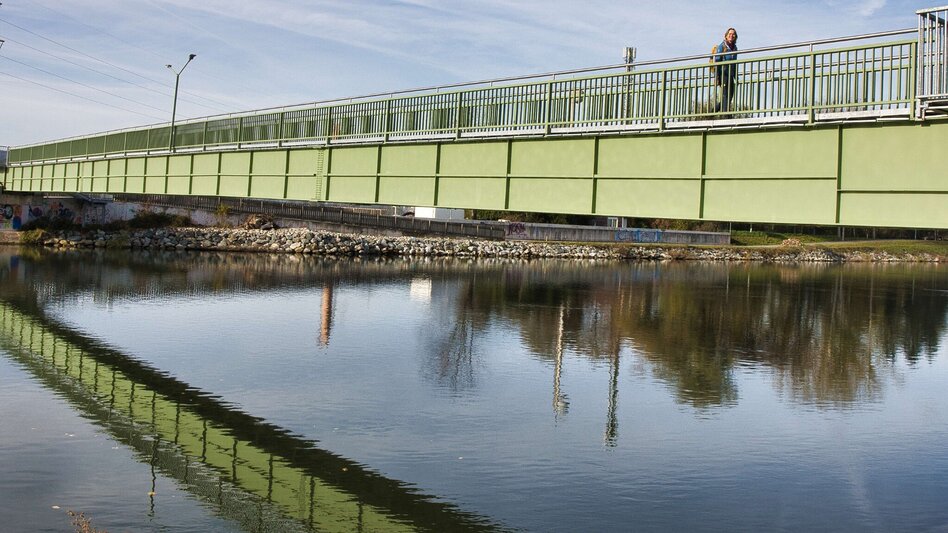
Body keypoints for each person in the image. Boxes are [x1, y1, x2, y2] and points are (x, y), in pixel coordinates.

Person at [711, 28, 739, 113]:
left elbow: (734, 63)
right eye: (729, 34)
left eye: (733, 34)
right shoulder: (722, 47)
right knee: (725, 95)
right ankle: (725, 115)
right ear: (726, 36)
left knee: (730, 95)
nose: (731, 35)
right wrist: (717, 77)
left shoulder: (734, 48)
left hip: (730, 74)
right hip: (723, 73)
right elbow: (717, 62)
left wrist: (735, 76)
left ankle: (714, 111)